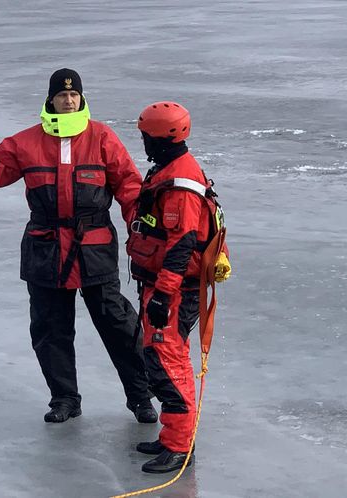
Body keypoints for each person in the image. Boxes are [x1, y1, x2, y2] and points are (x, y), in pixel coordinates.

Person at [0, 68, 157, 424]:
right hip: (45, 249)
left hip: (94, 247)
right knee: (50, 329)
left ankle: (140, 396)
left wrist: (141, 233)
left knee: (118, 325)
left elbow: (129, 187)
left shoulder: (103, 137)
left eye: (74, 94)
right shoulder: (25, 142)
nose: (69, 100)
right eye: (62, 96)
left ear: (81, 98)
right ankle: (64, 399)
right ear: (51, 100)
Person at [126, 101, 231, 473]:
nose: (142, 143)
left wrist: (164, 294)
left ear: (160, 139)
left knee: (169, 363)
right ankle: (172, 437)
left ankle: (180, 446)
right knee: (161, 358)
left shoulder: (181, 184)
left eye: (145, 137)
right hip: (161, 284)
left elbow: (181, 242)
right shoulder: (170, 169)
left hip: (173, 289)